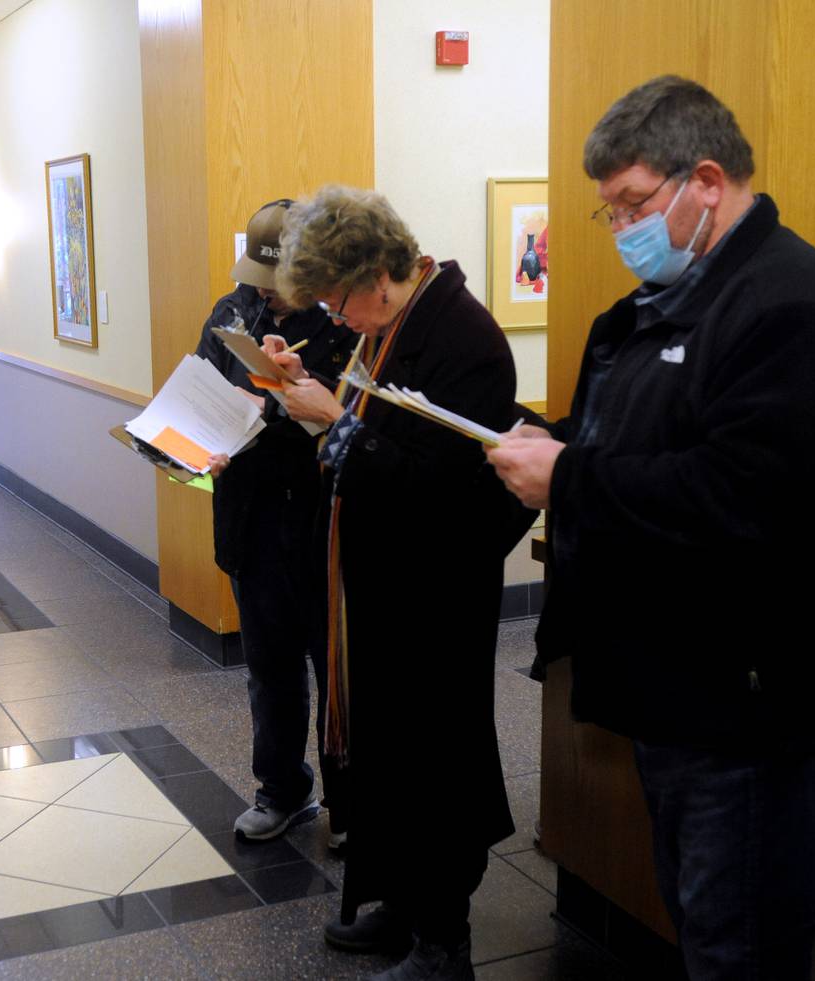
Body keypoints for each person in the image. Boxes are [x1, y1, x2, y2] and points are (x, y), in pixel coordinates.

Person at [486, 76, 815, 979]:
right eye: (607, 212)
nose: (620, 231)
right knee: (702, 916)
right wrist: (562, 443)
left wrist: (569, 476)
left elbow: (746, 499)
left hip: (754, 700)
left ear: (709, 182)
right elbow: (648, 439)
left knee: (741, 946)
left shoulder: (793, 306)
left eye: (633, 205)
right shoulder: (674, 302)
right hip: (681, 685)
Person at [273, 185, 536, 981]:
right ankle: (399, 903)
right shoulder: (390, 323)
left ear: (379, 271)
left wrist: (336, 424)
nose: (334, 315)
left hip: (435, 596)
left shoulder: (465, 339)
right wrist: (307, 394)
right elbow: (373, 429)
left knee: (435, 760)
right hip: (378, 589)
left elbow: (447, 489)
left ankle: (442, 941)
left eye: (337, 298)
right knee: (386, 756)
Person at [194, 200, 356, 842]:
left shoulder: (346, 325)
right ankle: (282, 790)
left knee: (336, 667)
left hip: (320, 520)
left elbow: (353, 420)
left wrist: (282, 404)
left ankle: (351, 804)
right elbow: (200, 384)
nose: (264, 291)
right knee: (269, 664)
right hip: (251, 515)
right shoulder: (231, 309)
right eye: (258, 276)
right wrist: (191, 432)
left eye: (277, 280)